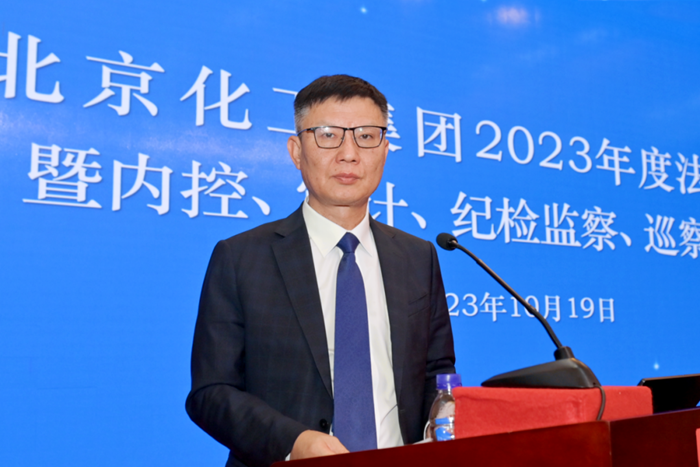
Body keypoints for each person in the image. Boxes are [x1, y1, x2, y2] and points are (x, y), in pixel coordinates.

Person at [186, 74, 456, 467]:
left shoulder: (418, 257)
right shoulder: (242, 257)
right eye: (328, 135)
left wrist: (441, 422)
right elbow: (212, 391)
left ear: (384, 151)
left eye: (367, 136)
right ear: (296, 151)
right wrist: (293, 442)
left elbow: (438, 371)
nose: (349, 154)